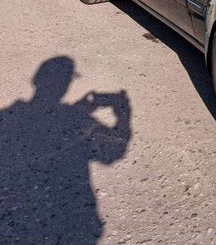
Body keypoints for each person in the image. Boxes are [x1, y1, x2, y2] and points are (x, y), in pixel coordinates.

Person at [0, 56, 131, 245]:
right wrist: (124, 114)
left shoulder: (7, 117)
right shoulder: (77, 119)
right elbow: (113, 152)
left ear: (36, 81)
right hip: (69, 224)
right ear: (66, 84)